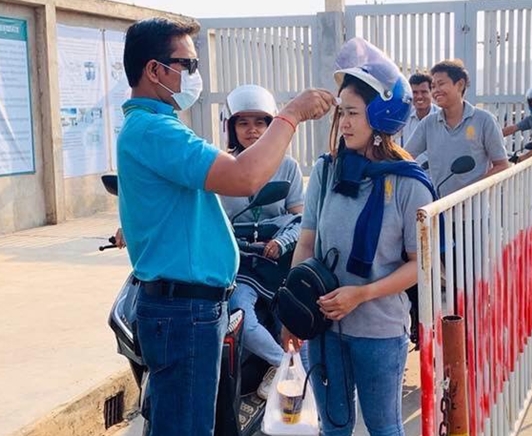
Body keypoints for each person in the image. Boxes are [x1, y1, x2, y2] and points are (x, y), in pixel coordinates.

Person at [117, 17, 334, 436]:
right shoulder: (156, 131)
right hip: (184, 310)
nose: (193, 75)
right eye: (187, 65)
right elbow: (243, 177)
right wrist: (291, 115)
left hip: (192, 307)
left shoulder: (157, 128)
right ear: (155, 70)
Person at [282, 37, 437, 436]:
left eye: (353, 113)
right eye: (341, 112)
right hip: (324, 327)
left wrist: (362, 294)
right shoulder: (326, 171)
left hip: (379, 330)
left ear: (381, 115)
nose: (344, 122)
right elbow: (306, 243)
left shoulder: (409, 185)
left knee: (384, 426)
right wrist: (294, 306)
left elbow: (420, 265)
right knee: (333, 427)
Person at [218, 84, 304, 400]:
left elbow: (300, 219)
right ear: (231, 128)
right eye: (243, 123)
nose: (252, 130)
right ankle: (285, 365)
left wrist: (282, 242)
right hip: (239, 262)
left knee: (293, 320)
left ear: (271, 126)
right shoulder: (220, 165)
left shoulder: (287, 166)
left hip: (278, 261)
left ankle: (295, 370)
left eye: (260, 123)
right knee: (239, 313)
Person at [404, 59, 509, 197]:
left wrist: (470, 193)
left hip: (475, 207)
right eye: (433, 86)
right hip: (440, 205)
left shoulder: (485, 121)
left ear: (460, 85)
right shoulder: (428, 123)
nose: (436, 91)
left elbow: (502, 165)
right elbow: (406, 156)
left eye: (441, 84)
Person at [398, 72, 439, 147]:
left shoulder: (442, 117)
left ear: (431, 92)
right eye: (415, 92)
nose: (419, 96)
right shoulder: (403, 116)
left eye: (424, 92)